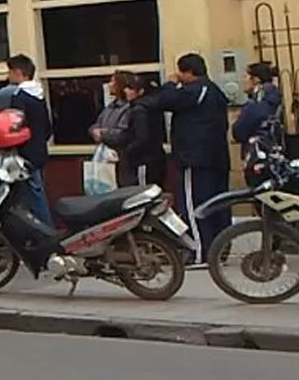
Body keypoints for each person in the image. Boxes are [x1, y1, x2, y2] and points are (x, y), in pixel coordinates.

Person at [158, 52, 231, 264]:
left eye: (180, 72)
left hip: (194, 158)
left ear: (189, 72)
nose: (178, 75)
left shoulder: (196, 90)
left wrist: (171, 84)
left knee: (193, 206)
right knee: (217, 204)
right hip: (216, 158)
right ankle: (220, 249)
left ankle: (199, 252)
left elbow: (167, 100)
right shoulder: (215, 91)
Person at [0, 55, 52, 223]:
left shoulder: (16, 95)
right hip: (38, 152)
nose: (8, 76)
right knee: (34, 192)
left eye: (10, 72)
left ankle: (44, 232)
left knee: (30, 197)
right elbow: (47, 128)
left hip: (21, 155)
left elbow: (8, 122)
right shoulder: (38, 94)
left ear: (18, 72)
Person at [117, 75, 168, 187]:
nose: (126, 91)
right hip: (156, 157)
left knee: (143, 193)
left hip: (144, 159)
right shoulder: (151, 106)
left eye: (130, 88)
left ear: (140, 91)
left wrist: (128, 150)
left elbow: (142, 137)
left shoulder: (139, 110)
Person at [231, 61, 282, 147]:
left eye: (245, 76)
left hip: (260, 149)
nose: (243, 80)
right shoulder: (270, 97)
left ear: (256, 79)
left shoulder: (259, 101)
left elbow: (240, 130)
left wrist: (239, 119)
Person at [89, 70, 136, 148]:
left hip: (122, 152)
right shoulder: (110, 106)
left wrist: (102, 133)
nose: (109, 85)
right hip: (105, 151)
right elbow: (96, 124)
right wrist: (94, 131)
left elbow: (123, 132)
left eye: (112, 82)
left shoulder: (129, 108)